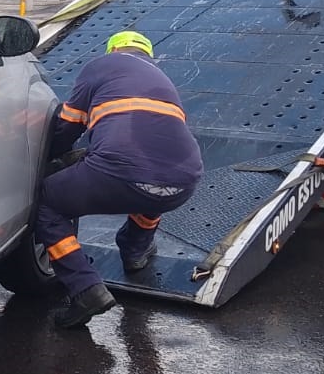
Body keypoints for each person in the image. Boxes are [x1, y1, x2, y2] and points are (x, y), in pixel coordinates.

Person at [35, 30, 204, 329]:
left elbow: (68, 126)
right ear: (148, 55)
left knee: (48, 203)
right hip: (183, 181)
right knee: (152, 186)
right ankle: (135, 251)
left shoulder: (101, 66)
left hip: (118, 173)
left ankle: (85, 289)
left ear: (113, 50)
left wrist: (49, 161)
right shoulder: (163, 80)